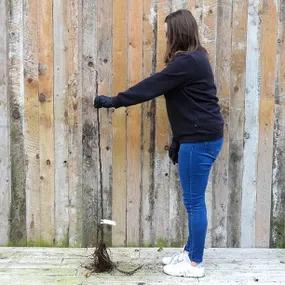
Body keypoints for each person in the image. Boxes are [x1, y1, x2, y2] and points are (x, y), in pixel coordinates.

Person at [94, 9, 224, 278]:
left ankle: (195, 263)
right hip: (201, 137)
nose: (165, 38)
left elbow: (150, 86)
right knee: (194, 200)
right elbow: (189, 106)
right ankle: (190, 252)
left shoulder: (186, 62)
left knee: (194, 202)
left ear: (178, 34)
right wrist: (178, 140)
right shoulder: (197, 58)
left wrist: (114, 101)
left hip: (199, 141)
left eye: (167, 34)